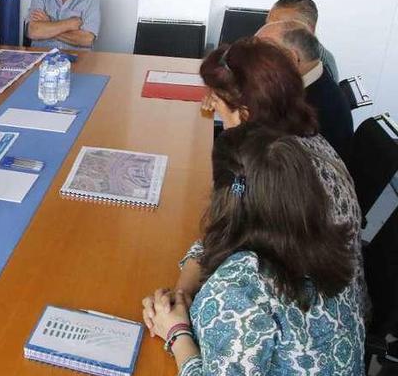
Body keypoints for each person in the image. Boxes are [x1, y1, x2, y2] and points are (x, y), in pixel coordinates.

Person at [141, 124, 364, 374]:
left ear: (224, 199)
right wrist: (182, 293)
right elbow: (215, 242)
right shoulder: (320, 237)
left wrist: (176, 333)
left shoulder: (236, 289)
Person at [175, 38, 364, 308]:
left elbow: (232, 244)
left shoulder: (272, 169)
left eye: (219, 106)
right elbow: (228, 231)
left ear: (245, 114)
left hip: (301, 315)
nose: (216, 113)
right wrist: (184, 287)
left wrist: (182, 307)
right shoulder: (297, 139)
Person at [256, 20, 353, 160]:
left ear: (291, 58)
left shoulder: (315, 108)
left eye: (261, 55)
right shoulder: (317, 80)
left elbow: (268, 159)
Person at [267, 0, 339, 80]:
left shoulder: (320, 69)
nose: (268, 31)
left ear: (308, 30)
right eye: (268, 25)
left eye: (280, 26)